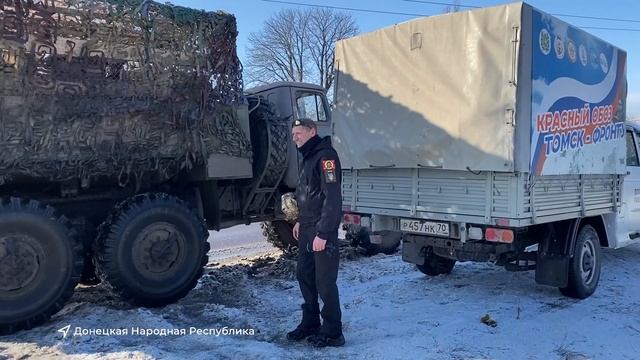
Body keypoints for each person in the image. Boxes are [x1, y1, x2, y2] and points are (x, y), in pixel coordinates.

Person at [286, 118, 345, 347]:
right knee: (305, 276)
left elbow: (332, 198)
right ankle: (310, 322)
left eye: (298, 133)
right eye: (293, 135)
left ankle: (332, 331)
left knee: (324, 282)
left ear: (312, 131)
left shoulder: (326, 156)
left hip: (322, 230)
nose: (295, 138)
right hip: (308, 227)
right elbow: (307, 193)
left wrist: (323, 233)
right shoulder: (308, 156)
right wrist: (301, 220)